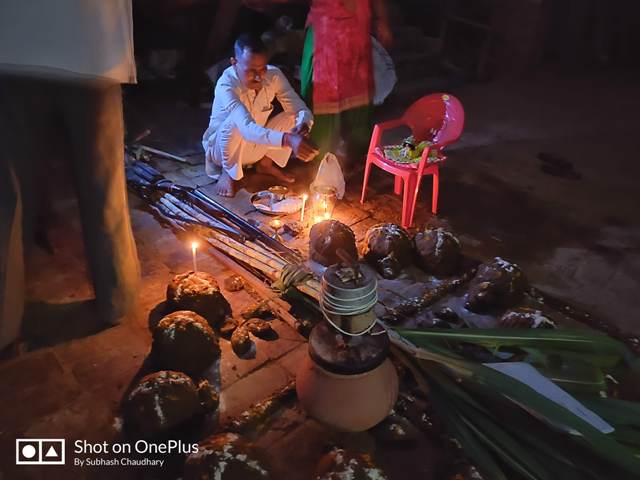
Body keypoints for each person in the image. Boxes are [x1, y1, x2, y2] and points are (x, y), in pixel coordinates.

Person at [0, 0, 141, 352]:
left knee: (10, 198)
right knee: (103, 187)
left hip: (14, 40)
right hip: (92, 44)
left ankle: (3, 321)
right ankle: (116, 299)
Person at [202, 34, 319, 197]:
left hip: (254, 146)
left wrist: (303, 126)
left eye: (262, 68)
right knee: (235, 122)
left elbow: (300, 109)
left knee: (293, 116)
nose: (258, 76)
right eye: (251, 70)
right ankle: (228, 172)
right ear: (234, 63)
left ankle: (265, 164)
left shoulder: (274, 75)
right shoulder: (226, 85)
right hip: (222, 152)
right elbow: (247, 128)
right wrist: (288, 140)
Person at [301, 0, 392, 163]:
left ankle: (354, 159)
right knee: (322, 101)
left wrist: (383, 21)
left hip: (355, 34)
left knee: (359, 99)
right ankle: (318, 162)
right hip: (325, 32)